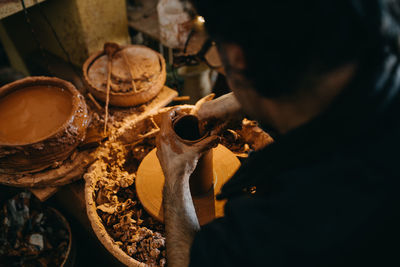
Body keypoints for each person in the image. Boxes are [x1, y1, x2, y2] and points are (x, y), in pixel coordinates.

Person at [155, 0, 400, 266]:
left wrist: (177, 175)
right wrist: (244, 98)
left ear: (237, 57)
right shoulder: (376, 42)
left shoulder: (297, 214)